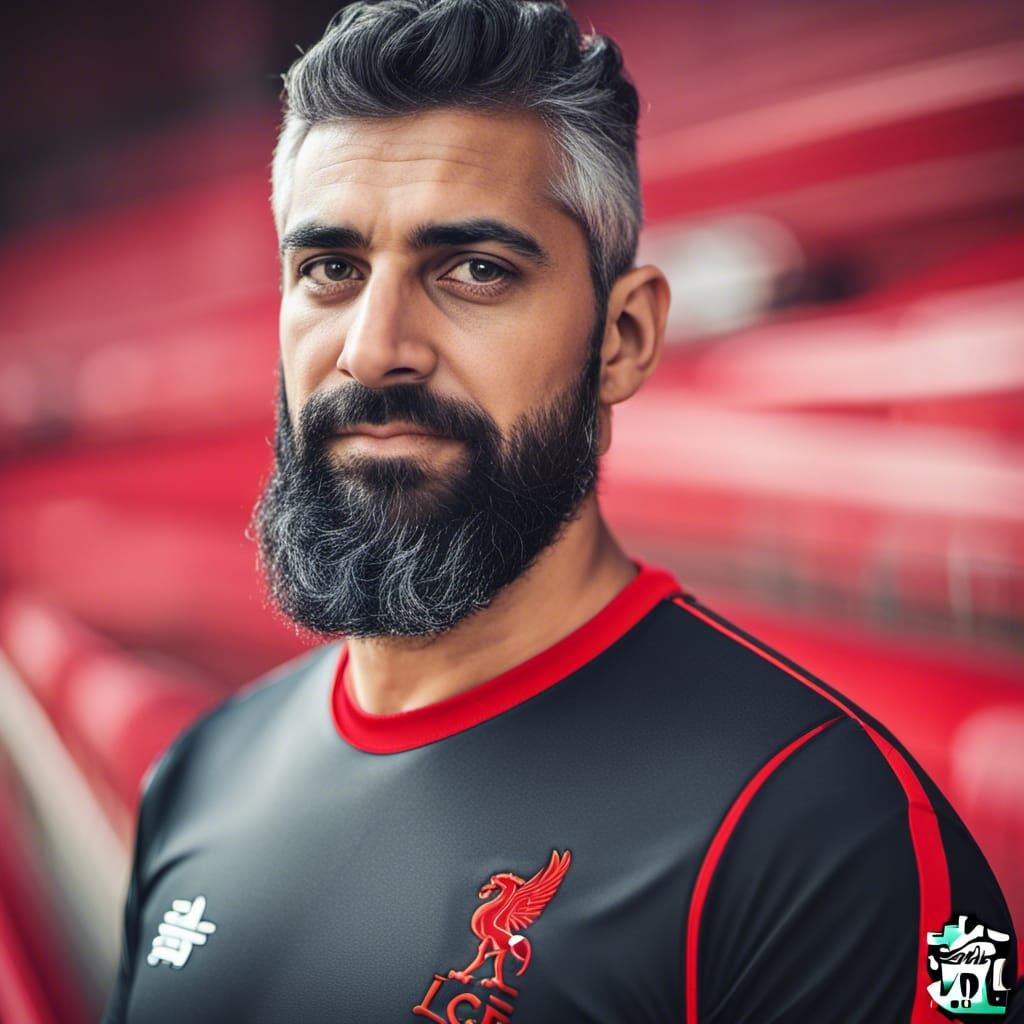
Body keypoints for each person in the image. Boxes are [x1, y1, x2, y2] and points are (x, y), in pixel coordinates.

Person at [103, 1, 1022, 1021]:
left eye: (475, 270)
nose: (372, 347)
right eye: (329, 269)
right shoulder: (197, 777)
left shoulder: (823, 830)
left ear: (623, 336)